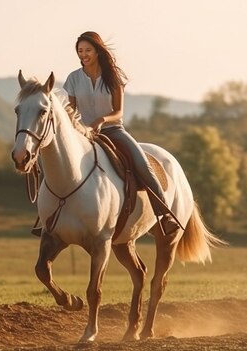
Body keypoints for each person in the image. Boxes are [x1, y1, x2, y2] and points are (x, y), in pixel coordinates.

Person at [63, 31, 181, 235]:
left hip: (113, 131)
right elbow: (72, 110)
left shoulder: (114, 77)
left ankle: (165, 214)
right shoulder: (73, 78)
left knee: (141, 163)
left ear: (98, 51)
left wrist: (101, 120)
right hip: (83, 134)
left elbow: (118, 112)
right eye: (80, 51)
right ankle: (47, 218)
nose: (83, 55)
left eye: (88, 50)